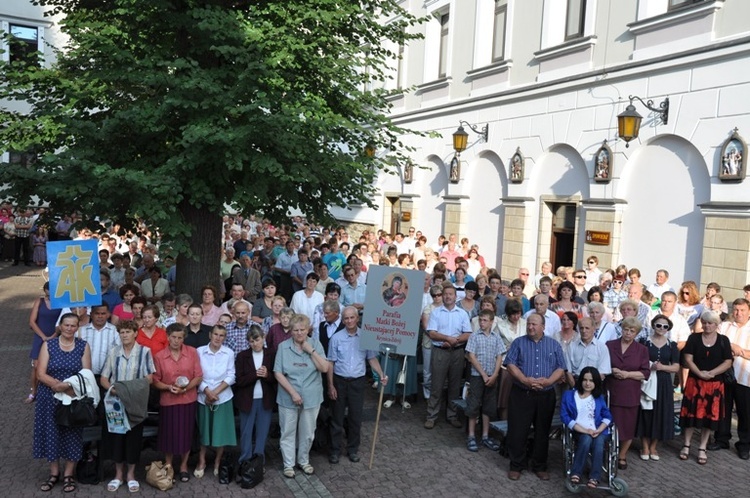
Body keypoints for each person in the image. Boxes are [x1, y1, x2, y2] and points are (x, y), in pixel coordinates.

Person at [33, 313, 92, 493]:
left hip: (72, 397)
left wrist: (67, 387)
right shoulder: (48, 345)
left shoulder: (83, 345)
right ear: (60, 326)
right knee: (51, 433)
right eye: (66, 325)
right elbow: (40, 373)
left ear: (77, 327)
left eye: (73, 326)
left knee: (72, 434)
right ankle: (54, 473)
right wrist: (57, 386)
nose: (69, 329)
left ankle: (68, 474)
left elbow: (87, 373)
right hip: (49, 397)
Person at [504, 313, 566, 481]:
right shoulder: (518, 343)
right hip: (521, 393)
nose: (530, 327)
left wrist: (548, 382)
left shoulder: (554, 345)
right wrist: (525, 380)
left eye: (534, 324)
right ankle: (516, 465)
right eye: (529, 324)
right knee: (518, 430)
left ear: (543, 327)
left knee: (542, 431)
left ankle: (539, 465)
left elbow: (561, 367)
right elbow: (510, 364)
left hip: (546, 395)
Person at [327, 307, 388, 464]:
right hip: (339, 381)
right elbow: (330, 364)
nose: (349, 321)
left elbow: (372, 359)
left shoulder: (365, 338)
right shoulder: (336, 338)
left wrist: (381, 374)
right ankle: (334, 451)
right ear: (342, 319)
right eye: (346, 318)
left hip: (357, 382)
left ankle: (353, 450)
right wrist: (330, 385)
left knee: (355, 417)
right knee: (337, 418)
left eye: (352, 317)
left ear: (357, 318)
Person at [99, 320, 155, 493]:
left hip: (135, 403)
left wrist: (130, 391)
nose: (124, 335)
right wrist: (113, 389)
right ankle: (118, 474)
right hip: (116, 403)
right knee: (117, 439)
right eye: (121, 332)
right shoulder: (113, 352)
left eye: (128, 332)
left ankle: (131, 475)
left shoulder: (145, 352)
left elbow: (149, 378)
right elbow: (103, 378)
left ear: (135, 333)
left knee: (133, 439)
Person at [274, 314, 328, 478]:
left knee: (308, 432)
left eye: (302, 330)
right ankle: (288, 464)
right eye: (295, 330)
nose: (299, 333)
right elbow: (278, 372)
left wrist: (310, 350)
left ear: (308, 329)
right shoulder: (283, 347)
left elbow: (324, 368)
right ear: (290, 331)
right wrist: (293, 393)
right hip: (288, 396)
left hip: (312, 396)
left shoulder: (315, 344)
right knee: (288, 431)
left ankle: (303, 460)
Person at [679, 311, 734, 464]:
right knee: (690, 415)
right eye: (704, 322)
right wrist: (699, 373)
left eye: (710, 323)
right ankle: (686, 445)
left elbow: (728, 361)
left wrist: (711, 373)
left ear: (717, 325)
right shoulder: (694, 338)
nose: (707, 325)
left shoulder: (724, 340)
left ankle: (702, 447)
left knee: (709, 417)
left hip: (715, 384)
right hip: (695, 383)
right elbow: (688, 358)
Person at [152, 323, 203, 483]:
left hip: (188, 399)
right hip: (168, 400)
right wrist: (168, 387)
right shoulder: (159, 356)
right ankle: (168, 465)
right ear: (167, 337)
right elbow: (155, 380)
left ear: (184, 338)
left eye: (180, 337)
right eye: (173, 337)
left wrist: (186, 388)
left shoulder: (192, 352)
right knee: (169, 434)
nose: (176, 340)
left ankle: (183, 466)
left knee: (186, 434)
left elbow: (198, 376)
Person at [424, 284, 472, 429]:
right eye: (445, 294)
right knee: (437, 385)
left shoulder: (462, 313)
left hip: (457, 352)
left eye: (451, 294)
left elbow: (468, 333)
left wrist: (453, 341)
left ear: (455, 297)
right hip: (440, 351)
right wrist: (446, 339)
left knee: (454, 385)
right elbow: (432, 333)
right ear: (442, 296)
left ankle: (452, 415)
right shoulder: (436, 312)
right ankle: (431, 416)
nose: (448, 296)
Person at [606, 316, 650, 470]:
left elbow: (645, 373)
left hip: (630, 394)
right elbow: (602, 364)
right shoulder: (610, 345)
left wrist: (627, 374)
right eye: (626, 329)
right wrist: (612, 370)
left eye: (632, 331)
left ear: (637, 333)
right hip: (611, 392)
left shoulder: (642, 350)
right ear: (621, 329)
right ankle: (606, 452)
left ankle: (622, 455)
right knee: (609, 424)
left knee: (627, 427)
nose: (628, 333)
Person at [634, 313, 680, 462]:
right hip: (647, 380)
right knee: (646, 412)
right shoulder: (644, 342)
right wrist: (650, 366)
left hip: (664, 382)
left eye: (665, 326)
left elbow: (676, 367)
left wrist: (662, 367)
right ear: (653, 326)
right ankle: (645, 445)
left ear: (668, 329)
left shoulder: (672, 345)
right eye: (658, 325)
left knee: (662, 413)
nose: (661, 328)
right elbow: (637, 361)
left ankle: (654, 446)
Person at [560, 366, 613, 489]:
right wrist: (585, 431)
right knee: (586, 439)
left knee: (599, 441)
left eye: (591, 380)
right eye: (585, 380)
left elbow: (607, 415)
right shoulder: (569, 395)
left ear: (596, 382)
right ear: (580, 380)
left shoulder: (598, 397)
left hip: (598, 430)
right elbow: (565, 416)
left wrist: (599, 429)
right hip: (579, 430)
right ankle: (576, 472)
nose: (588, 383)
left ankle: (595, 477)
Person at [195, 325, 237, 478]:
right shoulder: (199, 351)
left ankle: (218, 462)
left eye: (221, 335)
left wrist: (215, 392)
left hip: (222, 397)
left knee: (220, 432)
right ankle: (201, 460)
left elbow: (231, 375)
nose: (218, 338)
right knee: (204, 431)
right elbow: (196, 374)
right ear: (210, 335)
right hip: (203, 396)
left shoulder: (229, 353)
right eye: (216, 334)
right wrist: (206, 391)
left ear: (225, 338)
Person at [712, 298, 750, 455]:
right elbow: (715, 344)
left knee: (745, 413)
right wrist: (730, 347)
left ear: (749, 311)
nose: (738, 313)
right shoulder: (724, 326)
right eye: (735, 310)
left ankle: (744, 445)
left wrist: (739, 350)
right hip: (724, 376)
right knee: (723, 410)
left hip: (745, 378)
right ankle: (721, 440)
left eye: (742, 310)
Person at [464, 309, 505, 452]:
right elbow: (471, 356)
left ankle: (485, 435)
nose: (482, 323)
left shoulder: (496, 337)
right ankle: (471, 435)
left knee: (488, 406)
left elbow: (499, 356)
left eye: (485, 320)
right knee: (473, 404)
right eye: (480, 320)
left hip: (491, 376)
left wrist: (494, 375)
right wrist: (483, 374)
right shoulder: (474, 336)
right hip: (477, 376)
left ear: (491, 322)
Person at [235, 325, 276, 466]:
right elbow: (239, 380)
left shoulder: (271, 354)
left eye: (257, 340)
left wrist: (267, 375)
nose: (255, 344)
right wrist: (256, 374)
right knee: (246, 432)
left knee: (262, 432)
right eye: (251, 341)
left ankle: (259, 461)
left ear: (263, 338)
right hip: (247, 400)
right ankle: (245, 460)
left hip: (265, 399)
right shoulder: (242, 356)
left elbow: (276, 378)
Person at [26, 282, 61, 403]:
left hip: (56, 337)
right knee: (35, 366)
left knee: (52, 364)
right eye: (48, 289)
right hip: (40, 338)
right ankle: (33, 392)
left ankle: (52, 389)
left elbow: (63, 320)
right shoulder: (39, 301)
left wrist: (54, 335)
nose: (50, 292)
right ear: (45, 290)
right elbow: (32, 321)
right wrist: (43, 336)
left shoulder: (60, 302)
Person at [566, 317, 611, 386]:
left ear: (594, 329)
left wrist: (590, 385)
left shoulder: (602, 347)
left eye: (587, 328)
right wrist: (574, 387)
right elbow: (568, 370)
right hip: (576, 383)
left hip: (595, 384)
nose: (584, 331)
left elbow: (603, 372)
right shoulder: (571, 346)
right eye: (581, 328)